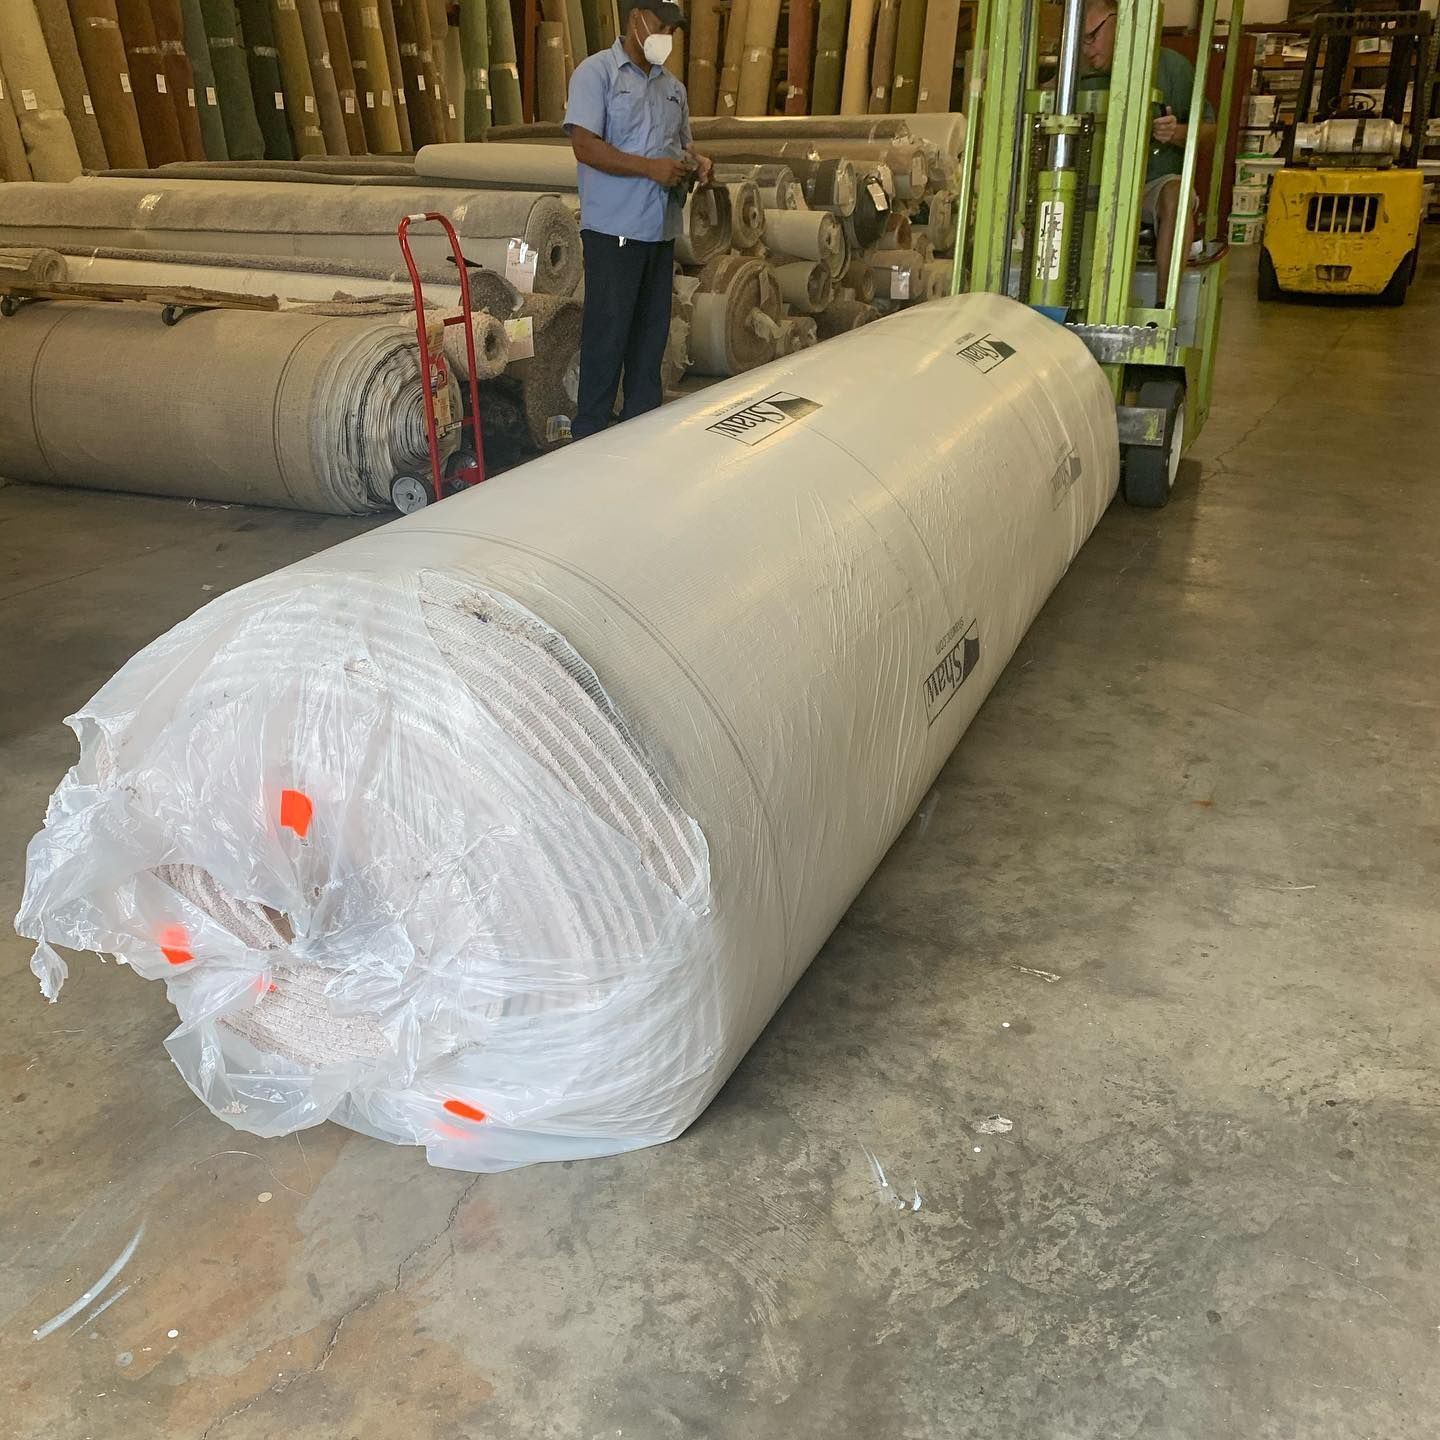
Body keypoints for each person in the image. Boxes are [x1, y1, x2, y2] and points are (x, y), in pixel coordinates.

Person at [563, 0, 712, 440]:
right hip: (614, 232)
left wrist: (698, 163)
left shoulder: (673, 88)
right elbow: (585, 146)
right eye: (661, 24)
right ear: (635, 19)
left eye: (673, 29)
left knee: (650, 342)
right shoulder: (597, 74)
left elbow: (680, 146)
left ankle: (640, 433)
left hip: (659, 230)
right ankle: (589, 433)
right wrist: (650, 168)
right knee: (608, 336)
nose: (667, 34)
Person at [1079, 0, 1215, 299]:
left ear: (1120, 23)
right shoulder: (1074, 73)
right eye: (1080, 40)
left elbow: (1207, 131)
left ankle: (1162, 310)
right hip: (1094, 185)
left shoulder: (1170, 66)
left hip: (1149, 183)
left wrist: (1175, 132)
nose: (1087, 49)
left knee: (1176, 197)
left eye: (1092, 37)